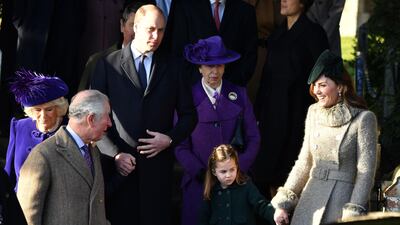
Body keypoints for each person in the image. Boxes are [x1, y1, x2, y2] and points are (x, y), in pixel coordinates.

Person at [90, 4, 197, 225]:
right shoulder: (107, 65)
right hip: (119, 170)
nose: (156, 36)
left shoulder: (175, 67)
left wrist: (169, 139)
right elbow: (93, 118)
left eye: (161, 30)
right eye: (150, 29)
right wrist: (115, 154)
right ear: (135, 27)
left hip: (157, 171)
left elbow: (189, 116)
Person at [271, 50, 378, 225]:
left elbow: (365, 172)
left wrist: (353, 210)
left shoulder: (364, 119)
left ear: (341, 86)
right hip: (311, 199)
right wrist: (284, 203)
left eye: (322, 85)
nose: (316, 91)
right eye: (314, 85)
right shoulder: (314, 112)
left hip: (341, 201)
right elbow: (304, 162)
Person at [175, 35, 260, 225]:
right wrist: (202, 174)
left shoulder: (239, 94)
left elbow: (253, 138)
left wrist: (237, 170)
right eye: (209, 66)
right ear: (199, 67)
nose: (214, 71)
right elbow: (180, 145)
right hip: (199, 186)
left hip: (235, 184)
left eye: (220, 65)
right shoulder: (186, 97)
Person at [253, 0, 329, 199]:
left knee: (289, 177)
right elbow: (266, 78)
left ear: (302, 3)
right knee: (262, 174)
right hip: (271, 117)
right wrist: (257, 113)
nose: (283, 1)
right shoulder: (277, 34)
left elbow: (322, 77)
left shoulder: (314, 34)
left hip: (298, 118)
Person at [17, 89, 112, 225]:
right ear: (90, 119)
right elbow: (27, 217)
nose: (110, 123)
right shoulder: (43, 155)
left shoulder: (93, 151)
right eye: (107, 116)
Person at [4, 69, 69, 191]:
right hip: (20, 204)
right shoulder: (19, 127)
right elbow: (9, 173)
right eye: (38, 110)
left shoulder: (70, 130)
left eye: (49, 110)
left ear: (59, 108)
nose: (43, 116)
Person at [167, 0, 258, 87]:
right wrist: (200, 86)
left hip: (231, 91)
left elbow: (249, 55)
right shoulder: (184, 6)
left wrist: (229, 85)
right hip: (192, 90)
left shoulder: (246, 11)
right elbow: (178, 50)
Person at [198, 144, 274, 225]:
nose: (228, 175)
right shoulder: (211, 191)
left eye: (232, 169)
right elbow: (203, 219)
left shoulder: (246, 186)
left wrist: (276, 215)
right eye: (223, 171)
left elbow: (261, 205)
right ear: (214, 171)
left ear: (237, 167)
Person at [79, 2, 145, 91]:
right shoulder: (98, 61)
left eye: (143, 27)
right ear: (122, 25)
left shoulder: (159, 63)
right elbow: (83, 101)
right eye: (133, 25)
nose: (137, 32)